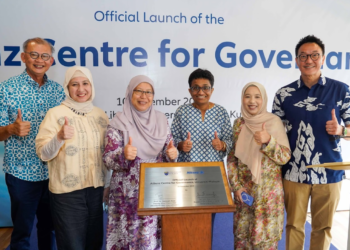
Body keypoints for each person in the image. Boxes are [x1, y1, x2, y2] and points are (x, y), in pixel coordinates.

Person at [272, 35, 350, 250]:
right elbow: (276, 136)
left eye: (314, 55)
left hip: (329, 170)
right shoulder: (283, 94)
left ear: (323, 59)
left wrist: (342, 129)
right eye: (303, 56)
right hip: (293, 172)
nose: (309, 60)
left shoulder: (341, 90)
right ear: (296, 61)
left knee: (323, 228)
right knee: (294, 225)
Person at [0, 37, 65, 250]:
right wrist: (10, 129)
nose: (39, 60)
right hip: (21, 173)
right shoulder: (6, 89)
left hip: (53, 172)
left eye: (45, 55)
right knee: (21, 232)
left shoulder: (58, 91)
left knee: (50, 228)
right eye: (34, 54)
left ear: (51, 60)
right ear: (23, 57)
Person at [35, 66, 109, 250]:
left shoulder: (100, 115)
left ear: (91, 86)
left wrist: (106, 185)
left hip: (95, 190)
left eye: (85, 83)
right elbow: (43, 153)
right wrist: (59, 137)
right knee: (71, 244)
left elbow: (106, 155)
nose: (81, 89)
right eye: (74, 84)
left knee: (94, 242)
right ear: (67, 87)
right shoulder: (56, 114)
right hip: (67, 193)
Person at [103, 75, 178, 250]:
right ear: (130, 93)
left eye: (148, 92)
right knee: (126, 239)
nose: (144, 96)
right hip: (126, 197)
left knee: (151, 241)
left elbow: (169, 149)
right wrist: (122, 154)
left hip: (155, 193)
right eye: (139, 91)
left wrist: (172, 154)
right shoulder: (118, 123)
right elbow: (107, 159)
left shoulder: (161, 120)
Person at [227, 82, 291, 249]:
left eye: (257, 96)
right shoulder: (239, 124)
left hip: (268, 197)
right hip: (244, 195)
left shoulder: (274, 122)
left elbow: (284, 157)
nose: (252, 101)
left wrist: (268, 141)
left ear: (264, 99)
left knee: (265, 242)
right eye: (247, 96)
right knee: (243, 241)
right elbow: (232, 159)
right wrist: (237, 187)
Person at [170, 68, 233, 236]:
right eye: (195, 87)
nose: (201, 92)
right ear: (190, 91)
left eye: (205, 87)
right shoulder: (182, 112)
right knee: (186, 220)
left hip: (212, 176)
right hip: (186, 175)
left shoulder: (221, 112)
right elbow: (172, 139)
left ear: (212, 90)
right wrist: (180, 145)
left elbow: (230, 141)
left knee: (207, 221)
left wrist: (222, 145)